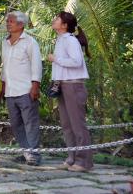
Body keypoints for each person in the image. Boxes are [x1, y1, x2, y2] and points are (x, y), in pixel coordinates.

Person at [47, 11, 93, 172]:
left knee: (77, 125)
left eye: (57, 19)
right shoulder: (60, 40)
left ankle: (84, 162)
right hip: (63, 85)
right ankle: (71, 158)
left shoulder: (70, 40)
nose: (54, 20)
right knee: (67, 125)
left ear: (65, 25)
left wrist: (55, 59)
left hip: (73, 85)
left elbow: (76, 61)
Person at [0, 11, 43, 165]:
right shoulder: (5, 42)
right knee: (16, 124)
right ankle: (26, 152)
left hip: (26, 90)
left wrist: (35, 86)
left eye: (11, 21)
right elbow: (5, 67)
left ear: (21, 24)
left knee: (30, 123)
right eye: (8, 21)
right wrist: (3, 86)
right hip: (10, 91)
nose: (8, 23)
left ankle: (34, 155)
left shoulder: (30, 42)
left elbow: (36, 65)